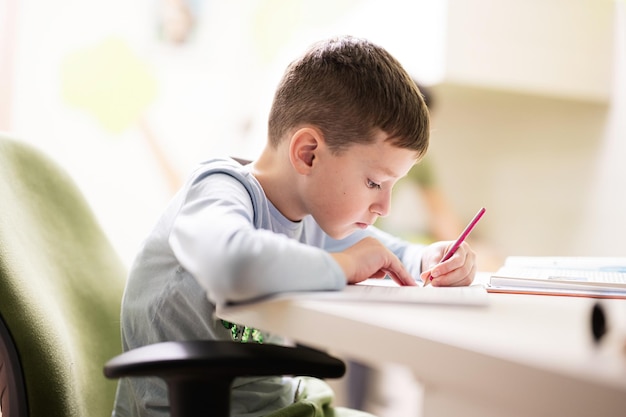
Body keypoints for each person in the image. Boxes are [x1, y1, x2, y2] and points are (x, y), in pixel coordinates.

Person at [112, 35, 477, 417]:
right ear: (309, 153)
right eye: (374, 183)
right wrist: (345, 265)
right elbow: (234, 266)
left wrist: (430, 258)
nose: (384, 206)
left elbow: (383, 252)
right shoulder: (218, 191)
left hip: (277, 403)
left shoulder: (307, 217)